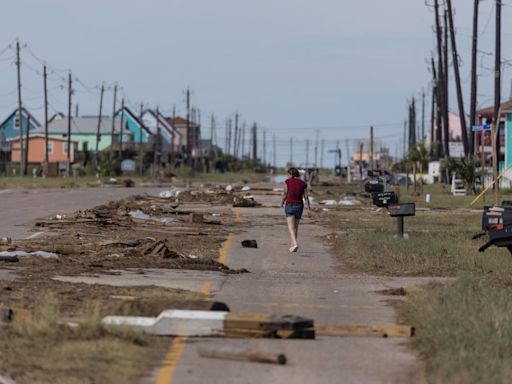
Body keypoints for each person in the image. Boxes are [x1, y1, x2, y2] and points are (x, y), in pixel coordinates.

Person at [281, 167, 310, 252]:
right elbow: (306, 197)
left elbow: (285, 194)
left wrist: (282, 202)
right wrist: (309, 208)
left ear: (290, 174)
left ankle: (295, 243)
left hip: (289, 205)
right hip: (299, 206)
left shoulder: (287, 182)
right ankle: (293, 246)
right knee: (295, 227)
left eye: (288, 174)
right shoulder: (303, 183)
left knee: (290, 227)